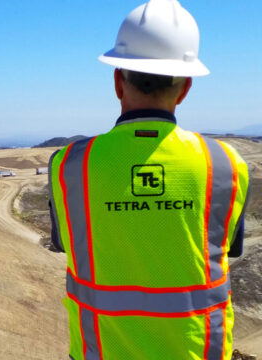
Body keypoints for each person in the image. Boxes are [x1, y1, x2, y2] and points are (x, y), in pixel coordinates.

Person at [47, 1, 250, 359]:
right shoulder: (226, 165)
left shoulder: (68, 167)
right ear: (186, 87)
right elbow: (224, 250)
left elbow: (67, 243)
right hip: (198, 351)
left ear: (117, 82)